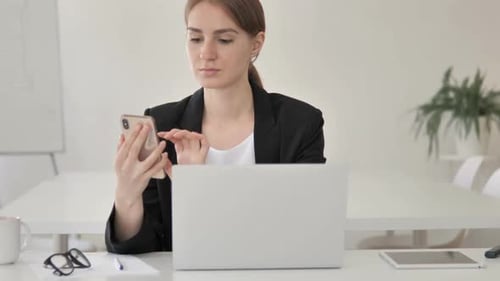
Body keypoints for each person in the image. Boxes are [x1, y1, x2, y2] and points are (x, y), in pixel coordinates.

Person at [105, 0, 326, 254]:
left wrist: (199, 190)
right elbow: (148, 249)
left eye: (224, 40)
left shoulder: (299, 124)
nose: (206, 53)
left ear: (256, 43)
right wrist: (126, 198)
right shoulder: (163, 125)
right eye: (196, 38)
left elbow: (304, 231)